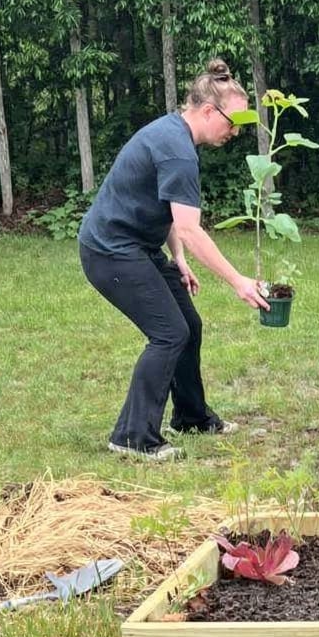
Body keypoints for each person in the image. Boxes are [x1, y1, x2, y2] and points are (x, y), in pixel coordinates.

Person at [79, 58, 271, 461]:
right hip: (110, 252)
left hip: (138, 247)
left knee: (189, 325)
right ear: (206, 111)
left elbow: (166, 211)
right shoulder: (178, 152)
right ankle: (132, 435)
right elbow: (189, 226)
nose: (234, 132)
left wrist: (177, 258)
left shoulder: (173, 134)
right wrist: (238, 281)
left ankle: (192, 416)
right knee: (169, 333)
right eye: (231, 122)